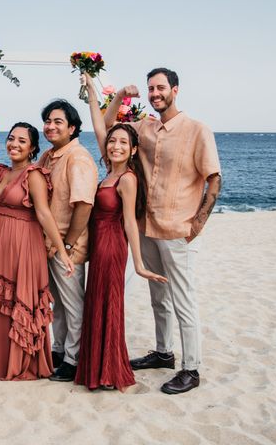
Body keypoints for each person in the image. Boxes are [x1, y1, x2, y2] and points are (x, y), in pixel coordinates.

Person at [101, 68, 222, 394]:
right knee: (158, 299)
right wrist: (119, 96)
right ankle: (163, 353)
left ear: (175, 90)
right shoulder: (146, 128)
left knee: (184, 302)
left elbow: (214, 179)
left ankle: (191, 368)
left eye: (160, 88)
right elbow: (110, 126)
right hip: (146, 227)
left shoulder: (197, 130)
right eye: (150, 88)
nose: (154, 93)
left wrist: (198, 223)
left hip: (177, 230)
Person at [77, 76, 168, 390]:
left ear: (132, 150)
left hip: (113, 245)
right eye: (112, 141)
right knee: (96, 303)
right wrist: (92, 90)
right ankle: (97, 368)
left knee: (109, 303)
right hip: (98, 243)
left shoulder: (127, 179)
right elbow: (99, 121)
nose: (115, 145)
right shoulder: (108, 170)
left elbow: (130, 222)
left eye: (122, 143)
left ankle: (109, 371)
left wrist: (140, 264)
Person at [0, 122, 74, 380]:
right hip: (1, 240)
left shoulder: (34, 175)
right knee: (1, 298)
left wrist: (62, 250)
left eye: (21, 141)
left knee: (21, 298)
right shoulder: (1, 171)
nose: (14, 144)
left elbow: (43, 213)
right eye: (11, 139)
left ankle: (22, 362)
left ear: (32, 148)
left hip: (25, 242)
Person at [37, 99, 99, 382]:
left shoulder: (79, 157)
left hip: (67, 246)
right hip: (49, 243)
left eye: (58, 122)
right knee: (58, 303)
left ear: (72, 128)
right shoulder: (50, 156)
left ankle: (74, 360)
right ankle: (60, 350)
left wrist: (69, 246)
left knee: (74, 304)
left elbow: (84, 205)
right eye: (48, 121)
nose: (50, 126)